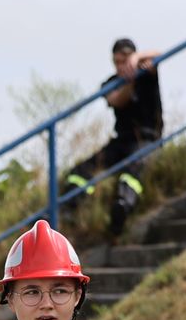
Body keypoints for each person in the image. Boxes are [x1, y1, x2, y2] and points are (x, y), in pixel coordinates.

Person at [64, 38, 161, 235]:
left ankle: (122, 209)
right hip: (121, 140)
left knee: (133, 169)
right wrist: (129, 81)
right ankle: (68, 208)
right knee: (83, 170)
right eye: (117, 62)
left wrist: (137, 59)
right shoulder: (110, 83)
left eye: (124, 60)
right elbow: (118, 101)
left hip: (147, 139)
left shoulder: (147, 73)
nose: (120, 65)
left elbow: (159, 53)